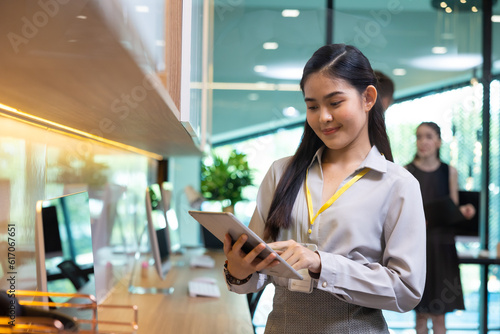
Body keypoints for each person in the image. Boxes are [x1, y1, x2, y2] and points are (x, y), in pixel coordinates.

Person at [222, 44, 427, 334]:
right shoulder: (281, 173)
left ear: (368, 98)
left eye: (334, 103)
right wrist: (239, 270)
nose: (323, 118)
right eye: (313, 106)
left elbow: (406, 290)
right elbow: (257, 274)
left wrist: (322, 265)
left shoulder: (398, 185)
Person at [406, 122, 475, 334]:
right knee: (420, 315)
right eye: (419, 137)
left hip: (443, 246)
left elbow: (451, 208)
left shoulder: (449, 172)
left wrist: (463, 210)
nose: (423, 142)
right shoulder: (407, 171)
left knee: (439, 317)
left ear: (438, 141)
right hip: (419, 248)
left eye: (428, 136)